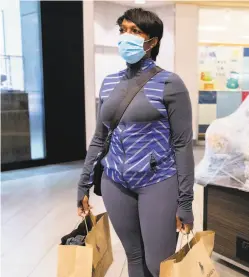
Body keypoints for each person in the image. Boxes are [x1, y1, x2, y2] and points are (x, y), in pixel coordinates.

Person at [77, 8, 194, 277]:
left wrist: (185, 201)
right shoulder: (109, 83)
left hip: (158, 182)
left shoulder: (170, 84)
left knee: (158, 264)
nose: (125, 37)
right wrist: (83, 183)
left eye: (134, 31)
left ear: (151, 41)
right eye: (122, 30)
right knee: (134, 257)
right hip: (115, 181)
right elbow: (99, 137)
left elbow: (182, 145)